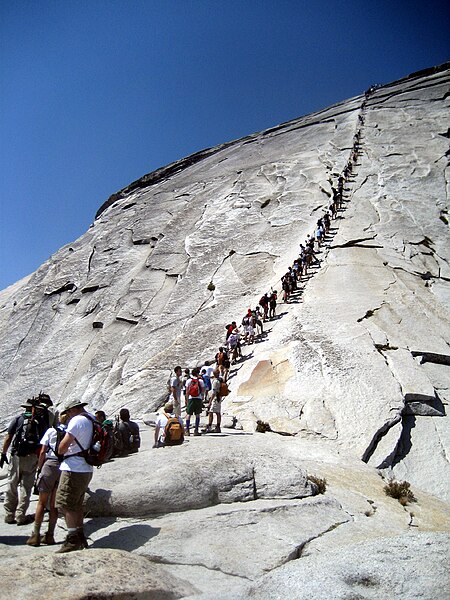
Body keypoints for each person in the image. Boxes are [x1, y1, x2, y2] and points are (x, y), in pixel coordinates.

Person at [55, 400, 95, 553]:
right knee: (77, 503)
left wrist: (60, 448)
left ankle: (72, 539)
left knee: (65, 504)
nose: (68, 415)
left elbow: (62, 447)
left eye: (68, 412)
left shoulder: (77, 421)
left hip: (73, 467)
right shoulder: (90, 419)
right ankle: (80, 534)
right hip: (86, 467)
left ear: (73, 410)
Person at [26, 411, 69, 546]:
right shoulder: (69, 432)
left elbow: (43, 451)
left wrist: (39, 468)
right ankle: (50, 535)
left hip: (50, 464)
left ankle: (36, 535)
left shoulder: (51, 431)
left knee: (41, 502)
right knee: (54, 505)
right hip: (63, 466)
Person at [1, 400, 47, 525]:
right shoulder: (41, 422)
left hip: (17, 456)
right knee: (26, 487)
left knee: (12, 484)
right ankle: (21, 515)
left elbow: (8, 437)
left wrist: (3, 453)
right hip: (32, 457)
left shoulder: (18, 419)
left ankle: (9, 515)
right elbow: (43, 442)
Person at [184, 367, 205, 436]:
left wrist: (186, 400)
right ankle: (196, 430)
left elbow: (187, 391)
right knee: (197, 414)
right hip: (198, 399)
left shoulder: (189, 381)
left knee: (188, 414)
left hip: (191, 398)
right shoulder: (200, 381)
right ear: (197, 373)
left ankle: (187, 430)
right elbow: (203, 390)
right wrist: (202, 398)